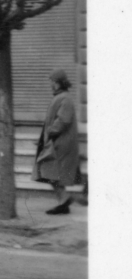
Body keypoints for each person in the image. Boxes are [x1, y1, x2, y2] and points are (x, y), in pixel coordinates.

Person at [33, 69, 82, 215]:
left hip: (61, 143)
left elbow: (63, 120)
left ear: (60, 83)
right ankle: (64, 202)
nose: (51, 84)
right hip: (56, 142)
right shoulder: (60, 97)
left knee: (50, 171)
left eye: (53, 82)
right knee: (51, 172)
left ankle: (64, 201)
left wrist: (49, 133)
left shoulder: (65, 98)